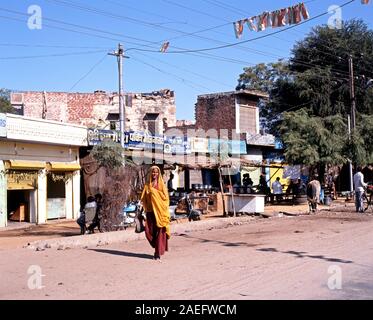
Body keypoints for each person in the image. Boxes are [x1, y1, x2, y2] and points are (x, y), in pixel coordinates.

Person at [141, 166, 170, 261]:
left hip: (160, 213)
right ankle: (156, 248)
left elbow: (165, 199)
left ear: (159, 174)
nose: (154, 174)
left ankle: (157, 253)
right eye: (153, 172)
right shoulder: (147, 185)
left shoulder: (161, 185)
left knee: (159, 233)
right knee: (148, 232)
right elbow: (143, 199)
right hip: (150, 212)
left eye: (156, 172)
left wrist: (154, 193)